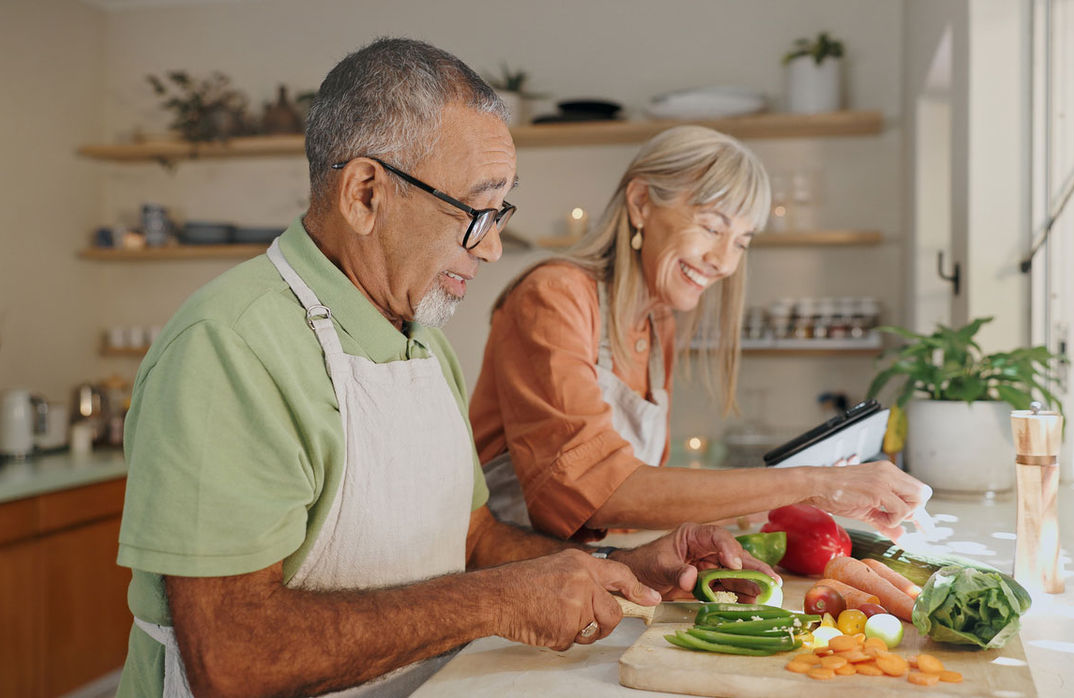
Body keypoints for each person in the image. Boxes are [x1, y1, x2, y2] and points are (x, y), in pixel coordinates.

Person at [114, 39, 774, 698]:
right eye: (475, 212)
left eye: (500, 213)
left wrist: (621, 567)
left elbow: (475, 536)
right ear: (365, 193)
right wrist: (494, 602)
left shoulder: (425, 345)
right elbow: (234, 659)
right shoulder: (229, 348)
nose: (490, 248)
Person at [469, 125, 930, 543]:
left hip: (588, 576)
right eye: (712, 227)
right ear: (641, 203)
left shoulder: (658, 320)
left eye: (742, 243)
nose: (725, 263)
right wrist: (816, 482)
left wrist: (809, 496)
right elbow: (597, 489)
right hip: (510, 585)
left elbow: (636, 502)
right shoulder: (552, 296)